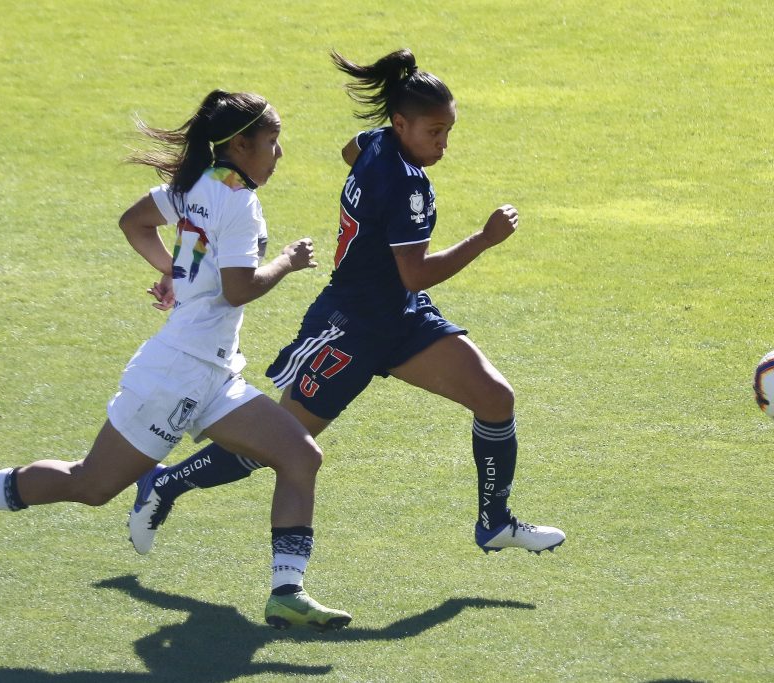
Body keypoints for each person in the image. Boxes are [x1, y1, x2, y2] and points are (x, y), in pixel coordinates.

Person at [0, 89, 351, 632]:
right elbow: (238, 289)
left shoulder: (194, 185)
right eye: (273, 142)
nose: (279, 154)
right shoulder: (238, 200)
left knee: (300, 456)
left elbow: (135, 222)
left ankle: (287, 593)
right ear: (241, 144)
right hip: (174, 372)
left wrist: (176, 273)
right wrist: (287, 261)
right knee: (90, 486)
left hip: (212, 372)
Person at [128, 49, 566, 559]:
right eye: (434, 132)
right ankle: (164, 484)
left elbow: (349, 150)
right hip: (350, 326)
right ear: (401, 124)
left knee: (494, 397)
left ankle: (495, 522)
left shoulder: (377, 142)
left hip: (401, 316)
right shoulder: (406, 186)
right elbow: (418, 272)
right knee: (278, 446)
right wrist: (484, 238)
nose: (443, 143)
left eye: (448, 130)